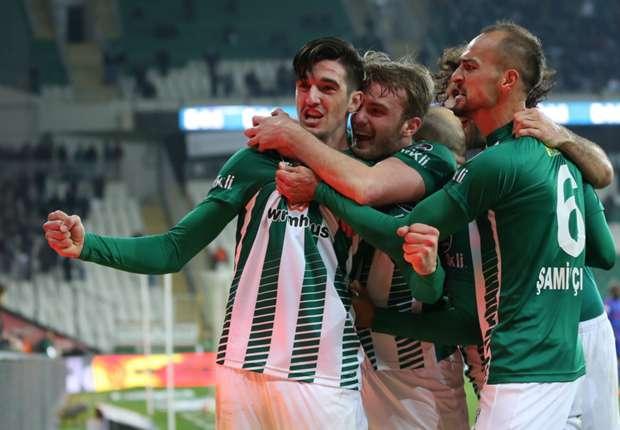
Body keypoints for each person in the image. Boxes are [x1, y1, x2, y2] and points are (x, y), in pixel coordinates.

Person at [43, 37, 368, 429]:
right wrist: (88, 245)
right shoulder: (255, 161)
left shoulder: (367, 176)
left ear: (355, 100)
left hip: (323, 375)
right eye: (303, 85)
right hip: (241, 370)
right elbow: (174, 249)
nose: (311, 98)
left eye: (327, 88)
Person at [308, 22, 615, 429]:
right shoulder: (551, 155)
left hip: (535, 348)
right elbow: (604, 252)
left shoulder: (490, 170)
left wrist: (318, 184)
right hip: (577, 334)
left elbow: (413, 245)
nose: (455, 92)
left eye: (468, 73)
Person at [247, 52, 470, 429]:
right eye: (359, 107)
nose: (360, 119)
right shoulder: (348, 161)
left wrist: (304, 156)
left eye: (378, 111)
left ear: (411, 125)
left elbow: (382, 216)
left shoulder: (431, 158)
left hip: (420, 371)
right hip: (360, 361)